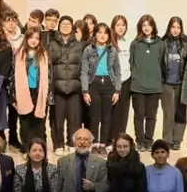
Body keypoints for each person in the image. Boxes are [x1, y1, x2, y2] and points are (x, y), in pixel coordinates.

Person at [81, 23, 120, 152]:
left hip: (109, 84)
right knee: (94, 117)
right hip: (94, 84)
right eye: (99, 32)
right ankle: (94, 144)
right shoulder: (88, 50)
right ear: (95, 34)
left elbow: (117, 71)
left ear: (109, 35)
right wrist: (85, 91)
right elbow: (84, 71)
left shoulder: (112, 50)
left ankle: (103, 144)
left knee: (107, 117)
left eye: (105, 32)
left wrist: (117, 90)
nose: (102, 35)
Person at [49, 15, 84, 154]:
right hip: (57, 88)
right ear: (59, 26)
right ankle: (58, 144)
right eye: (63, 24)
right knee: (57, 119)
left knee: (74, 119)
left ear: (72, 27)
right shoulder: (52, 44)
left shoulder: (79, 45)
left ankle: (72, 143)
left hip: (75, 87)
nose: (65, 26)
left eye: (68, 24)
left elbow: (83, 66)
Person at [129, 14, 164, 150]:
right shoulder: (135, 44)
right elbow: (131, 63)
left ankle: (149, 140)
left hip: (154, 87)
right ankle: (140, 140)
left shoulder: (160, 44)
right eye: (144, 25)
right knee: (139, 115)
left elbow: (161, 62)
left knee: (151, 116)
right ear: (140, 27)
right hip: (138, 86)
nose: (146, 27)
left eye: (149, 25)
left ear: (153, 26)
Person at [15, 26, 51, 149]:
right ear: (26, 38)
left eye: (37, 38)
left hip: (39, 91)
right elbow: (13, 76)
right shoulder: (19, 54)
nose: (34, 40)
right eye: (31, 37)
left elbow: (49, 75)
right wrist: (14, 97)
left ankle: (40, 148)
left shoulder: (43, 54)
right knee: (25, 122)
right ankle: (26, 147)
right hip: (24, 91)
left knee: (39, 122)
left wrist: (48, 94)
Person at [159, 17, 187, 151]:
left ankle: (177, 140)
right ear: (169, 28)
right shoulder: (162, 43)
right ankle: (167, 140)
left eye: (178, 27)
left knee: (181, 113)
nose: (175, 30)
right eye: (173, 27)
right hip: (166, 83)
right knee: (168, 113)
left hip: (181, 84)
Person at [2, 10, 25, 150]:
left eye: (13, 20)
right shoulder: (0, 37)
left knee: (14, 109)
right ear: (3, 22)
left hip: (18, 77)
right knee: (1, 109)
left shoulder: (22, 38)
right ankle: (0, 138)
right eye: (8, 20)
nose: (11, 23)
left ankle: (13, 137)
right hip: (3, 76)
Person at [111, 15, 134, 138]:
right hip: (112, 81)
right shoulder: (109, 42)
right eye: (118, 25)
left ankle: (121, 139)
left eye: (123, 25)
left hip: (126, 80)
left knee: (123, 112)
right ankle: (110, 139)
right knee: (112, 112)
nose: (120, 28)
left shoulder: (128, 42)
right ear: (113, 26)